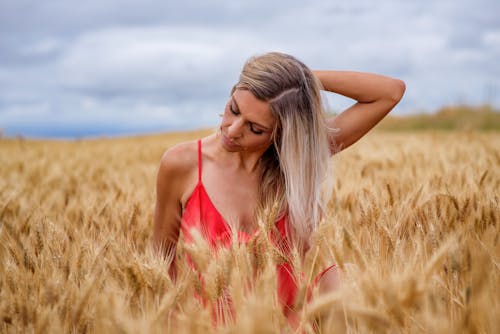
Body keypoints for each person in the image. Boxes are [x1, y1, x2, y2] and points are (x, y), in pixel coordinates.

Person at [153, 52, 405, 320]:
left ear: (282, 132)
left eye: (256, 128)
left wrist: (300, 84)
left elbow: (390, 92)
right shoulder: (182, 164)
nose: (232, 129)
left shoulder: (293, 162)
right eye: (234, 109)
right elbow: (161, 261)